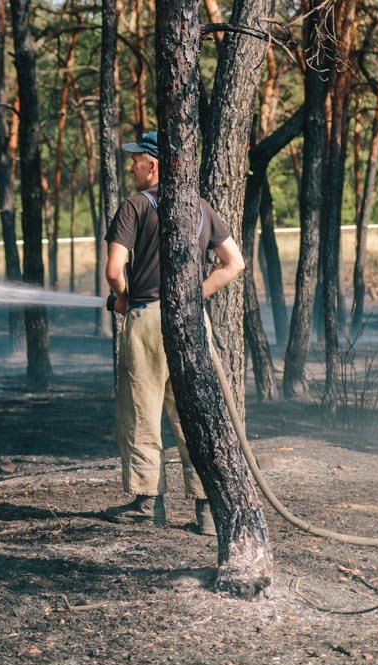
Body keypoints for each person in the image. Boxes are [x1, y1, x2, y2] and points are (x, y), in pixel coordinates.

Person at [100, 131, 244, 535]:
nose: (132, 166)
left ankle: (147, 502)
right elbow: (234, 263)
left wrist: (124, 299)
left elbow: (114, 271)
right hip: (190, 322)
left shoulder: (133, 207)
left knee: (141, 411)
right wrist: (191, 298)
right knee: (192, 413)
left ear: (155, 164)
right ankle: (207, 509)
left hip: (146, 320)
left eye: (137, 159)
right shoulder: (199, 207)